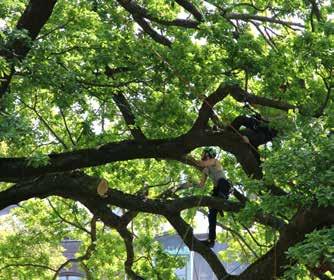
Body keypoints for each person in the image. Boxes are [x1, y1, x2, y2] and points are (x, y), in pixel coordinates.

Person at [186, 147, 231, 248]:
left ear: (208, 155)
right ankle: (211, 240)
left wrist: (190, 158)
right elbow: (201, 184)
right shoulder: (206, 169)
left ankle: (221, 199)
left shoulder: (215, 161)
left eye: (203, 153)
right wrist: (192, 183)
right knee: (211, 215)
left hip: (223, 186)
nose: (201, 155)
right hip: (216, 190)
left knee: (222, 182)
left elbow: (200, 163)